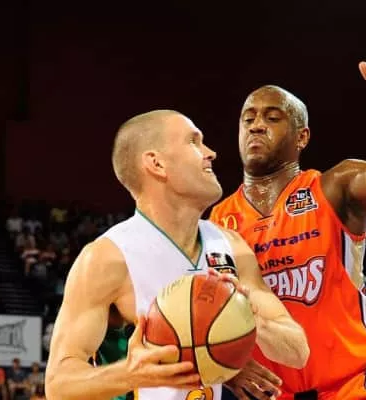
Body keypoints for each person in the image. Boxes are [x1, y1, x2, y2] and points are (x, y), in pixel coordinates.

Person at [210, 45, 366, 399]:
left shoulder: (335, 187)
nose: (257, 125)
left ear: (302, 136)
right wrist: (227, 367)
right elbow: (207, 313)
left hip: (359, 381)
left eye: (272, 118)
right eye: (248, 119)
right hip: (276, 393)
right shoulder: (219, 220)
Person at [45, 110, 309, 400]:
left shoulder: (231, 246)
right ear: (156, 163)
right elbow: (59, 385)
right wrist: (129, 375)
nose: (211, 153)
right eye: (194, 142)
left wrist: (244, 324)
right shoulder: (108, 257)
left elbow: (298, 352)